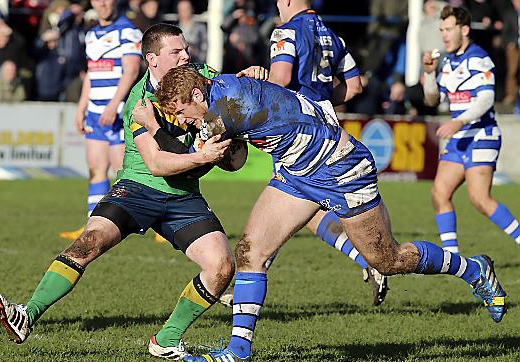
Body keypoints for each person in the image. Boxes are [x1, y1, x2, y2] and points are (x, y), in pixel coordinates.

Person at [141, 65, 507, 362]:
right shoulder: (221, 89)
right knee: (250, 252)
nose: (184, 121)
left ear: (197, 95)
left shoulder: (227, 108)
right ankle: (238, 353)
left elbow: (194, 162)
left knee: (387, 259)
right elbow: (235, 155)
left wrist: (153, 126)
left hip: (339, 168)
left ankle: (473, 268)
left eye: (183, 112)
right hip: (298, 172)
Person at [0, 23, 266, 360]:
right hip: (138, 188)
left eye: (185, 49)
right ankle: (27, 315)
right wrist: (204, 155)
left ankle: (166, 339)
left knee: (222, 266)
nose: (185, 55)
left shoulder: (199, 75)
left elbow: (225, 91)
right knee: (89, 241)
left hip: (183, 195)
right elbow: (157, 165)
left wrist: (248, 78)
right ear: (152, 59)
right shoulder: (139, 101)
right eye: (175, 51)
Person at [220, 0, 387, 308]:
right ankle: (366, 261)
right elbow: (355, 88)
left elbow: (281, 79)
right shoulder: (332, 37)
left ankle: (248, 284)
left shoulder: (285, 32)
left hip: (294, 127)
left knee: (276, 212)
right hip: (326, 126)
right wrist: (321, 100)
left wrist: (256, 81)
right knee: (305, 212)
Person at [422, 6, 520, 254]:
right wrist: (430, 75)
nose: (444, 35)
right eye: (441, 30)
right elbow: (432, 101)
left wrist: (459, 121)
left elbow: (486, 99)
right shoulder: (446, 62)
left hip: (481, 134)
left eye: (448, 29)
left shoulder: (479, 58)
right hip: (460, 137)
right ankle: (453, 259)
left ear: (464, 29)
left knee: (479, 199)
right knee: (439, 193)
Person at [59, 0, 142, 240]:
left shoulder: (128, 30)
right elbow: (91, 73)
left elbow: (132, 70)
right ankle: (92, 225)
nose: (102, 3)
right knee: (96, 169)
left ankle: (152, 224)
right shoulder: (93, 33)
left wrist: (115, 104)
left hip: (117, 113)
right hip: (96, 112)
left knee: (124, 172)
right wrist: (81, 107)